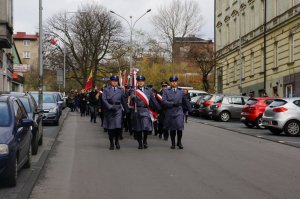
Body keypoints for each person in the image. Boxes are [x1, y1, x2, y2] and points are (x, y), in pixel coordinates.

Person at [130, 75, 161, 149]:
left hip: (146, 110)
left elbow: (153, 100)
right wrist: (133, 97)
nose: (140, 83)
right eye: (139, 81)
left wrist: (160, 109)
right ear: (137, 82)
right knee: (138, 129)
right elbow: (132, 97)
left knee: (145, 127)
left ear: (144, 82)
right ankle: (140, 143)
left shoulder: (149, 90)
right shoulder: (134, 90)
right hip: (137, 110)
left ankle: (145, 140)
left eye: (142, 81)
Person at [162, 76, 192, 149]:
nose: (174, 83)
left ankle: (179, 142)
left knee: (179, 127)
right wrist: (172, 104)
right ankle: (173, 143)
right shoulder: (166, 91)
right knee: (172, 128)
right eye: (172, 81)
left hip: (179, 111)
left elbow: (186, 101)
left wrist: (190, 109)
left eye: (175, 81)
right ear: (170, 83)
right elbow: (164, 102)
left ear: (177, 82)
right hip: (170, 111)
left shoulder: (181, 91)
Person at [102, 75, 128, 150]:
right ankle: (111, 143)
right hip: (109, 110)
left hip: (118, 110)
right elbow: (104, 99)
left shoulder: (121, 90)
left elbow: (123, 100)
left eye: (116, 81)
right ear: (110, 82)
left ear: (117, 82)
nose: (114, 82)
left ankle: (116, 141)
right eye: (113, 81)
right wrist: (109, 106)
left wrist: (126, 110)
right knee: (111, 128)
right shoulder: (106, 90)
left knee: (117, 127)